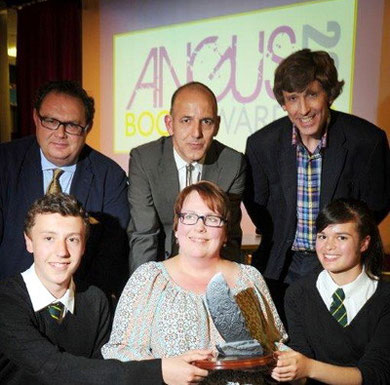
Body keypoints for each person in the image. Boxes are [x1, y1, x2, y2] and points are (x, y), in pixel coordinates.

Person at [0, 193, 211, 385]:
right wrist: (159, 370)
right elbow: (51, 368)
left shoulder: (95, 300)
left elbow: (101, 375)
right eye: (49, 238)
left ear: (84, 246)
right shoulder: (6, 300)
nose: (61, 251)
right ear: (29, 242)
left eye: (72, 239)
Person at [244, 49, 390, 311]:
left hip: (346, 265)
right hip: (282, 265)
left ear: (329, 94)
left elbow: (376, 205)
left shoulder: (367, 141)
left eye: (312, 94)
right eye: (293, 98)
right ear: (283, 102)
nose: (303, 109)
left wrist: (340, 246)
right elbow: (258, 207)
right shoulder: (260, 144)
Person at [103, 181, 286, 385]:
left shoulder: (249, 278)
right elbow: (119, 353)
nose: (200, 227)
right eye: (189, 217)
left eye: (212, 218)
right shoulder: (149, 279)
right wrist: (164, 367)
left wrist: (291, 365)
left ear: (225, 232)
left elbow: (273, 345)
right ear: (177, 227)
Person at [0, 80, 129, 298]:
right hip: (8, 297)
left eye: (72, 125)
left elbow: (111, 256)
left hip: (79, 302)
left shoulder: (110, 176)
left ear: (87, 127)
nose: (60, 134)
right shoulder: (5, 163)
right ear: (36, 118)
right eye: (51, 121)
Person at [127, 81, 246, 274]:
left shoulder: (232, 164)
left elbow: (228, 237)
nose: (196, 133)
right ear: (169, 124)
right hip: (160, 267)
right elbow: (144, 235)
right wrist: (144, 290)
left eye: (206, 122)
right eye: (186, 121)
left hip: (211, 271)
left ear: (216, 126)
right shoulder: (144, 160)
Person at [271, 198, 390, 385]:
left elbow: (376, 374)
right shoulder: (298, 293)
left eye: (341, 237)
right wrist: (285, 368)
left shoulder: (385, 298)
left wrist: (309, 367)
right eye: (322, 236)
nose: (328, 246)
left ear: (364, 243)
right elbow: (301, 367)